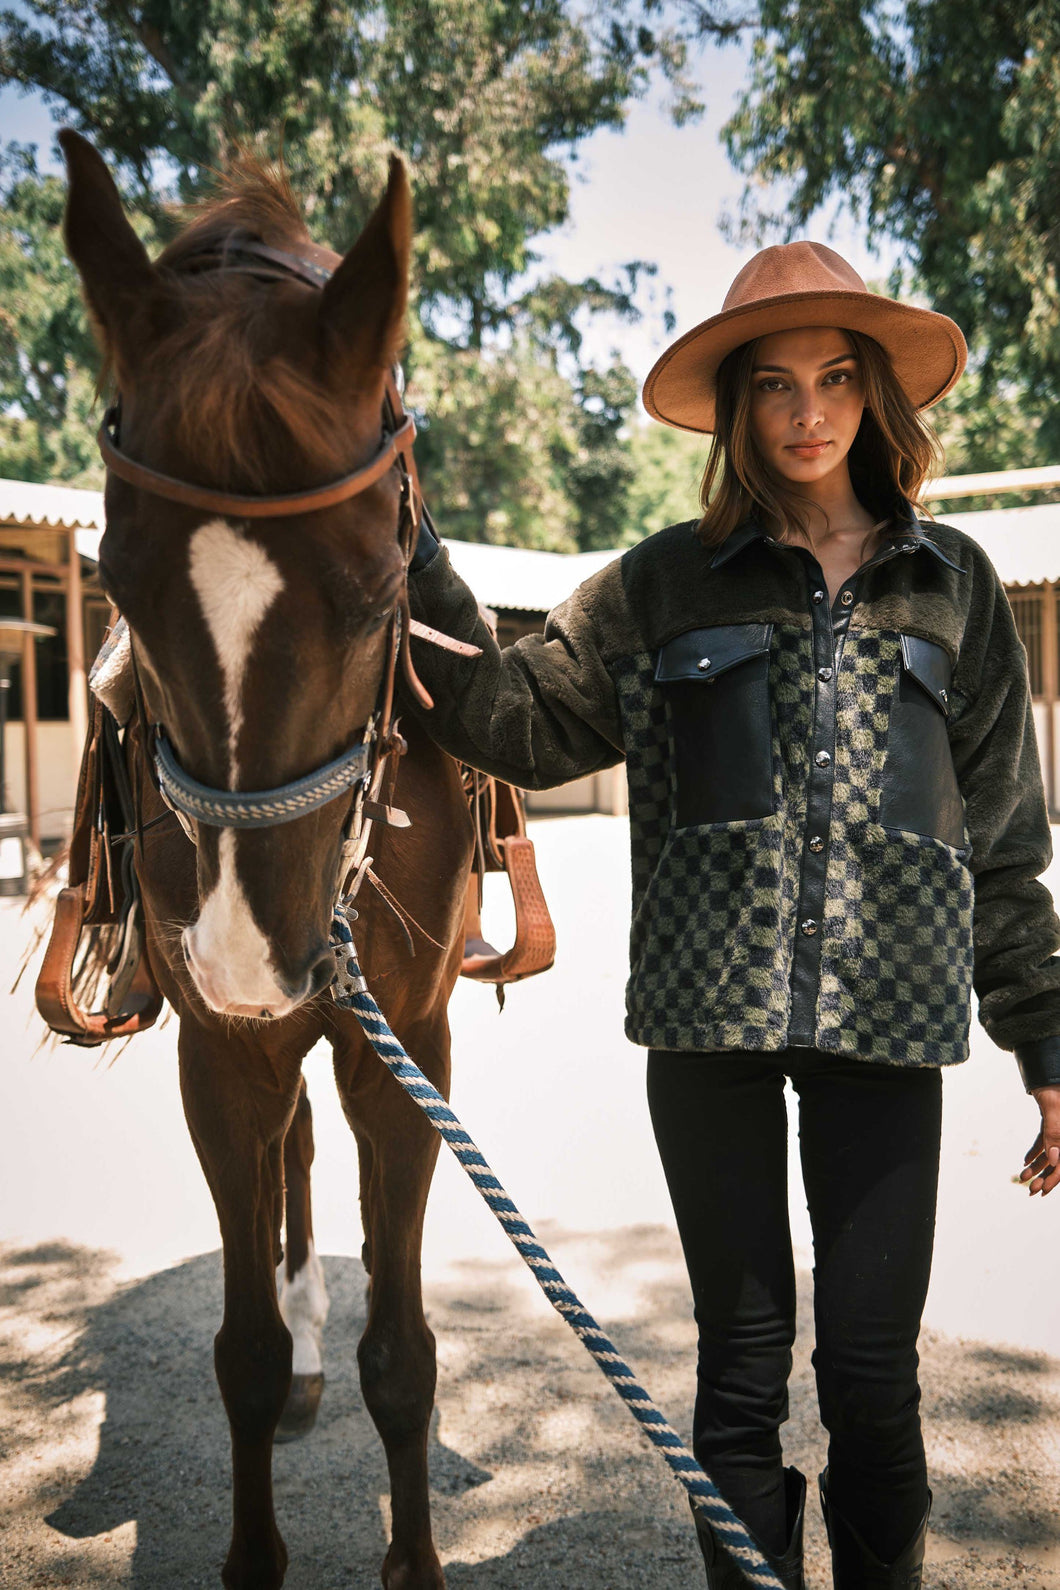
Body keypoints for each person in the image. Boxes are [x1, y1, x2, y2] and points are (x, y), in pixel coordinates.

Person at [400, 242, 1060, 1589]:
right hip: (709, 1035)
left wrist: (1048, 1048)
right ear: (739, 408)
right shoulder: (661, 583)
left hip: (891, 1027)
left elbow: (1003, 843)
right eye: (774, 384)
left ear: (878, 396)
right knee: (742, 1371)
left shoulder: (957, 584)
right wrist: (402, 535)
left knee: (875, 1372)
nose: (809, 413)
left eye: (835, 378)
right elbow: (510, 714)